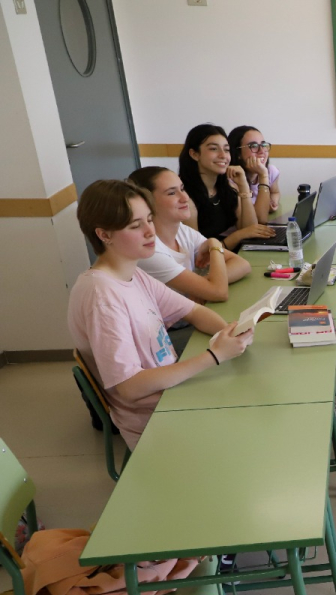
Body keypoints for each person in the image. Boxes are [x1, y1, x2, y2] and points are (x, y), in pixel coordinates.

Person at [68, 180, 256, 450]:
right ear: (104, 235)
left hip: (174, 393)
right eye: (135, 226)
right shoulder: (102, 297)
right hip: (155, 420)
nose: (149, 232)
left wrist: (228, 333)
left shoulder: (134, 273)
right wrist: (215, 355)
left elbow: (194, 311)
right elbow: (129, 387)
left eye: (149, 220)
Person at [127, 166, 252, 302]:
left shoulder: (181, 230)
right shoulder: (148, 250)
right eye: (171, 193)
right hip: (172, 324)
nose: (185, 197)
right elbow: (219, 292)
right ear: (147, 202)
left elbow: (242, 264)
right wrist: (215, 245)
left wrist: (202, 285)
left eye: (182, 189)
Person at [177, 123, 275, 248]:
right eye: (213, 149)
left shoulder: (228, 188)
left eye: (226, 149)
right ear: (194, 154)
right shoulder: (185, 198)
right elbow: (196, 256)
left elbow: (251, 230)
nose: (223, 155)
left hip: (226, 255)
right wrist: (237, 236)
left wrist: (244, 186)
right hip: (207, 262)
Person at [228, 125, 280, 223]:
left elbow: (275, 192)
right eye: (254, 146)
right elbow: (259, 220)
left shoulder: (271, 171)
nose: (262, 151)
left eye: (263, 145)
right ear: (238, 153)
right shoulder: (232, 178)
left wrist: (273, 201)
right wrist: (263, 175)